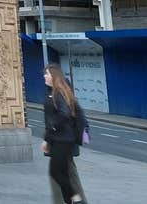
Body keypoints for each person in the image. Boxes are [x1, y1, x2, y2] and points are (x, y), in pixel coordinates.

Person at [42, 64, 87, 204]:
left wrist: (52, 129)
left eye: (47, 73)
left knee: (58, 173)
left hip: (62, 139)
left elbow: (65, 114)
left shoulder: (58, 92)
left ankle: (76, 199)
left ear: (54, 76)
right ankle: (73, 200)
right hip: (61, 139)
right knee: (61, 173)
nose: (44, 76)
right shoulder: (59, 91)